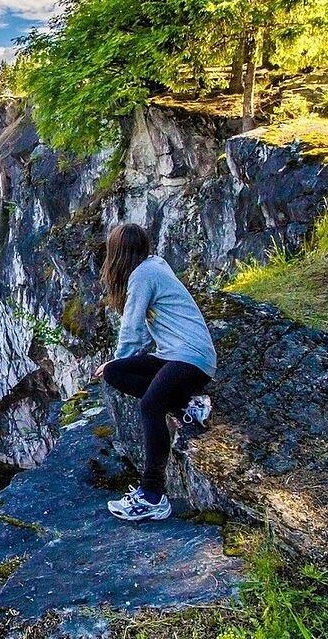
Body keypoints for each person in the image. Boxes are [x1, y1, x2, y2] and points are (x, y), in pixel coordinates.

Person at [93, 223, 217, 522]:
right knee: (114, 373)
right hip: (174, 356)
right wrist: (117, 366)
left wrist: (120, 359)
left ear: (117, 255)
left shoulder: (143, 275)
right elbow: (147, 335)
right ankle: (189, 405)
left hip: (190, 358)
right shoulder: (152, 268)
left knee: (150, 405)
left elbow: (133, 329)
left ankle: (152, 496)